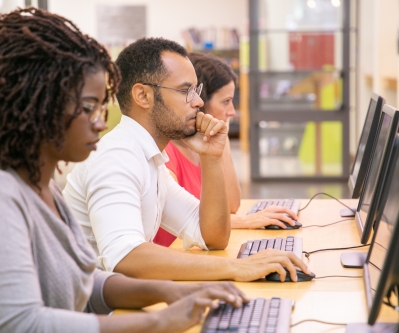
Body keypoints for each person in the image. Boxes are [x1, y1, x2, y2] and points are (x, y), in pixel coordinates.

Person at [0, 8, 248, 333]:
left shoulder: (44, 189)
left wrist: (171, 291)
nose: (100, 122)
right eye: (89, 108)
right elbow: (23, 323)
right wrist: (159, 318)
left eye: (101, 107)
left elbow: (84, 283)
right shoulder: (9, 197)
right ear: (42, 106)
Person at [63, 37, 311, 281]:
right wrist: (236, 267)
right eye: (185, 91)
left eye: (196, 91)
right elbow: (125, 257)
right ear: (143, 96)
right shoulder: (117, 157)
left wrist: (211, 158)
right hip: (96, 314)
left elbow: (212, 235)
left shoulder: (150, 160)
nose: (199, 102)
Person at [153, 52, 300, 247]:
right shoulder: (167, 156)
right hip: (178, 258)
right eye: (225, 101)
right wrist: (248, 221)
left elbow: (231, 205)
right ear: (201, 104)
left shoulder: (199, 150)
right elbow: (192, 223)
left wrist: (223, 140)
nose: (231, 111)